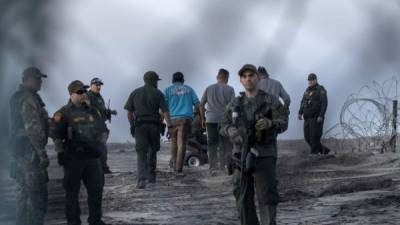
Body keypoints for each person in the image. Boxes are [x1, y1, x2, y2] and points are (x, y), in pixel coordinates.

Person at [220, 64, 288, 225]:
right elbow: (222, 125)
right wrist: (231, 131)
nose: (248, 79)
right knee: (242, 199)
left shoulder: (270, 100)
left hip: (263, 154)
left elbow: (284, 122)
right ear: (241, 80)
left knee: (267, 197)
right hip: (240, 156)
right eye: (244, 76)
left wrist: (269, 123)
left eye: (251, 75)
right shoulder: (235, 103)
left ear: (258, 77)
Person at [50, 80, 108, 225]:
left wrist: (101, 146)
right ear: (71, 94)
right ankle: (73, 221)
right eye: (80, 92)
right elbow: (56, 136)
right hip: (73, 159)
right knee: (72, 193)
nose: (83, 95)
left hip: (92, 159)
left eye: (84, 91)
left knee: (96, 191)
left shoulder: (93, 111)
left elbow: (104, 131)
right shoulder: (62, 113)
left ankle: (95, 220)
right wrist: (61, 153)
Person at [9, 67, 49, 225]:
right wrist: (42, 153)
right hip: (30, 155)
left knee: (23, 196)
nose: (40, 82)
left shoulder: (21, 97)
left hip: (20, 153)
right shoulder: (28, 99)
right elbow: (33, 128)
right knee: (36, 199)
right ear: (28, 79)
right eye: (37, 79)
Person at [124, 71, 172, 189]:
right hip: (154, 126)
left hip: (139, 126)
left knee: (141, 152)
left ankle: (141, 180)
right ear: (154, 81)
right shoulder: (158, 93)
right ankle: (151, 177)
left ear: (145, 80)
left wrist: (131, 125)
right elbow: (165, 112)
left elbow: (129, 112)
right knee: (152, 150)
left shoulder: (135, 92)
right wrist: (170, 126)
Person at [199, 68, 235, 176]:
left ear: (217, 77)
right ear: (227, 78)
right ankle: (225, 167)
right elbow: (233, 107)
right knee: (226, 144)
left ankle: (213, 168)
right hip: (225, 121)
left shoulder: (209, 88)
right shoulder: (230, 89)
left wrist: (202, 119)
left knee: (212, 144)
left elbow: (201, 104)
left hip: (210, 120)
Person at [164, 72, 200, 176]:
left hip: (171, 119)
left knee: (174, 143)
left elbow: (164, 107)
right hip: (185, 119)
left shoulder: (167, 90)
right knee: (182, 144)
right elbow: (197, 104)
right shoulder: (189, 89)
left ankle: (174, 166)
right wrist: (201, 115)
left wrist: (165, 120)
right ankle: (178, 169)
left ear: (172, 80)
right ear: (183, 80)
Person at [86, 77, 117, 174]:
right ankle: (94, 169)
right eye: (96, 85)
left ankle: (103, 168)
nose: (99, 87)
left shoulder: (99, 96)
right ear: (91, 85)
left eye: (100, 85)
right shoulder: (87, 96)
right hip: (93, 127)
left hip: (101, 126)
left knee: (102, 147)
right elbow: (86, 110)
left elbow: (102, 109)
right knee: (95, 148)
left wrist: (110, 112)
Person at [298, 73, 330, 155]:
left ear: (316, 80)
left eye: (312, 80)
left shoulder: (320, 89)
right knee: (307, 138)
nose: (310, 82)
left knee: (314, 138)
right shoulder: (307, 91)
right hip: (307, 118)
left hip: (315, 118)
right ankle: (324, 151)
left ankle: (314, 154)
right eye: (309, 80)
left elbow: (324, 103)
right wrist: (300, 112)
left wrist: (321, 115)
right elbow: (303, 102)